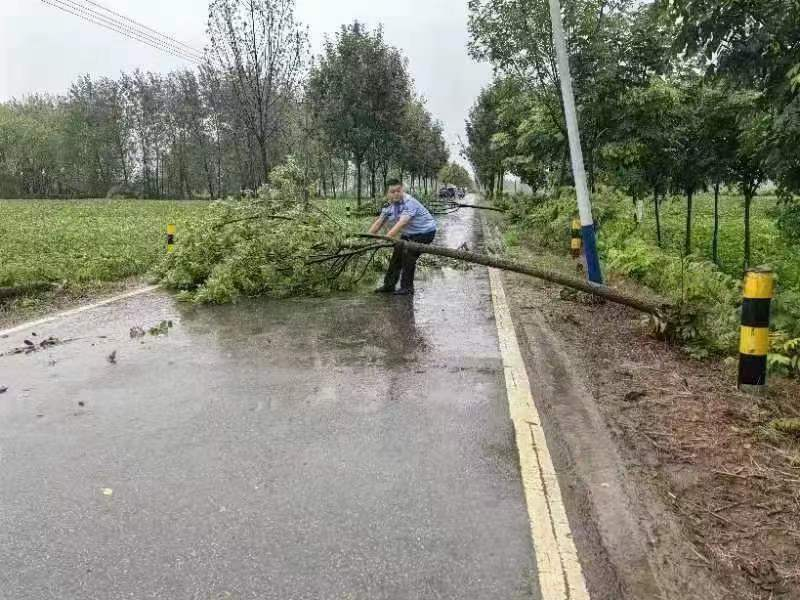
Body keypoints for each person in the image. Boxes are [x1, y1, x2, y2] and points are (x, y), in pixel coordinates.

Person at [368, 178, 437, 296]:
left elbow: (401, 223)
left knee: (408, 253)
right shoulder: (388, 205)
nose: (395, 194)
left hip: (426, 232)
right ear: (387, 193)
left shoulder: (409, 202)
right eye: (392, 191)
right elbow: (379, 222)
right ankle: (389, 285)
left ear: (402, 189)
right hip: (409, 233)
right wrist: (367, 238)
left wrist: (385, 239)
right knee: (397, 253)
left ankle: (407, 288)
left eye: (398, 191)